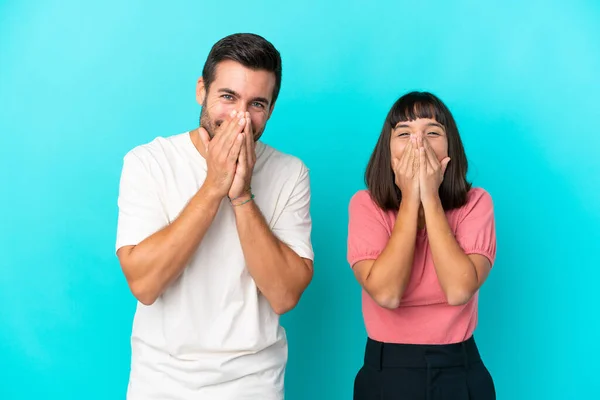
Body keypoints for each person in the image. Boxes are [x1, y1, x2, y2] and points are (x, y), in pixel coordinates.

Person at [115, 33, 314, 400]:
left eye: (257, 103)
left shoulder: (290, 173)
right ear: (201, 91)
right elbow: (144, 284)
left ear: (270, 109)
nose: (240, 116)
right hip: (160, 383)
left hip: (254, 384)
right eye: (227, 97)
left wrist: (240, 195)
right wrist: (213, 186)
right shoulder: (148, 163)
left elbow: (284, 295)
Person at [347, 91, 497, 399]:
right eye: (404, 133)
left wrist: (430, 196)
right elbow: (387, 294)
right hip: (386, 371)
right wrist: (410, 199)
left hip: (460, 369)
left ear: (450, 148)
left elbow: (458, 290)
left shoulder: (476, 203)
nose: (419, 143)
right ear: (387, 152)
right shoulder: (366, 206)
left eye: (433, 132)